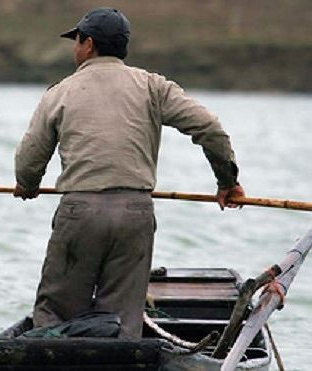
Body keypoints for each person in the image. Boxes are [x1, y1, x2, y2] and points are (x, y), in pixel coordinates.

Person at [13, 7, 245, 339]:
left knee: (55, 315)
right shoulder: (153, 87)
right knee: (121, 325)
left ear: (88, 44)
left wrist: (27, 184)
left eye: (75, 41)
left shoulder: (61, 91)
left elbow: (29, 158)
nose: (74, 48)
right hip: (135, 214)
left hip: (80, 214)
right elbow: (210, 128)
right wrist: (228, 182)